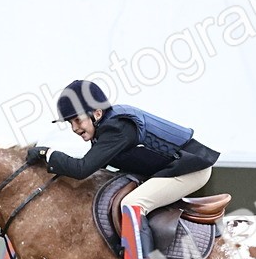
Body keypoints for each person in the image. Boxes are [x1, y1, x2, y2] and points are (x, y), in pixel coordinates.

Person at [25, 80, 220, 247]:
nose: (74, 128)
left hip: (190, 169)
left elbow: (82, 169)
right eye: (70, 123)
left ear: (97, 114)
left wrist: (47, 153)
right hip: (170, 168)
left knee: (132, 204)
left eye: (77, 120)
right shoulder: (105, 129)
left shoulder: (116, 128)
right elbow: (94, 169)